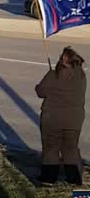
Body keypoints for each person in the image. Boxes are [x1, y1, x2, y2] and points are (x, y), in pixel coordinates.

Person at [36, 47, 86, 185]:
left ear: (62, 60)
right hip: (74, 120)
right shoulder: (81, 75)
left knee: (51, 148)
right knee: (71, 149)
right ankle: (75, 179)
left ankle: (48, 179)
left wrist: (47, 79)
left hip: (52, 119)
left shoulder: (53, 75)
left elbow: (40, 92)